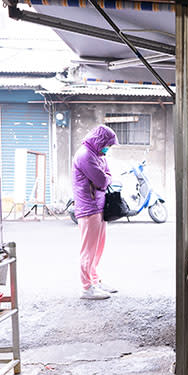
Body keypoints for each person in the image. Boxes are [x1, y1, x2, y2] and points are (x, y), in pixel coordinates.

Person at [72, 124, 119, 300]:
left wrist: (106, 177)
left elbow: (106, 174)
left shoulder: (98, 154)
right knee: (88, 250)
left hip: (98, 206)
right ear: (100, 140)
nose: (108, 148)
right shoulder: (85, 155)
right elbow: (102, 180)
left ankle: (94, 280)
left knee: (98, 248)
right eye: (108, 144)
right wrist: (106, 178)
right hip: (88, 208)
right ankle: (86, 287)